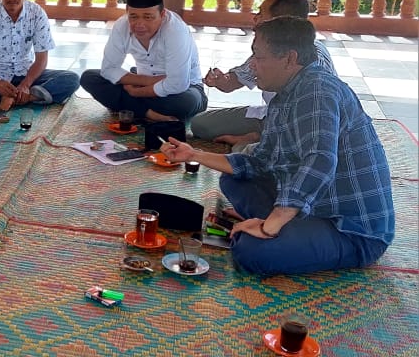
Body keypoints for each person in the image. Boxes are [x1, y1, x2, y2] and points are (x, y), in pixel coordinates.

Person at [161, 16, 394, 275]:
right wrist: (194, 154)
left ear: (289, 59)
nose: (252, 66)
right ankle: (285, 226)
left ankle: (276, 228)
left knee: (250, 253)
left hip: (349, 226)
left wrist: (267, 227)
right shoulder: (286, 94)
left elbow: (319, 161)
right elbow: (259, 162)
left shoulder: (317, 90)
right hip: (314, 205)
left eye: (258, 57)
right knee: (233, 179)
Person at [192, 0, 336, 152]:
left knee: (245, 155)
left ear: (280, 22)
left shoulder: (314, 63)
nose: (255, 18)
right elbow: (232, 82)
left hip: (302, 126)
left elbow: (319, 135)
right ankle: (259, 138)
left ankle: (259, 140)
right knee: (200, 124)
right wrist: (220, 80)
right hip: (271, 117)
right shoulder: (267, 48)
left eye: (261, 14)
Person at [79, 0, 206, 122]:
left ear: (162, 14)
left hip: (185, 88)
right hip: (144, 79)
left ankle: (129, 106)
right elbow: (108, 70)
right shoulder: (122, 26)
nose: (140, 24)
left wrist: (137, 92)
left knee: (186, 103)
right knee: (89, 78)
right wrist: (147, 81)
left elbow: (178, 84)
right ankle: (148, 113)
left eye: (148, 17)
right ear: (127, 12)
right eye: (133, 17)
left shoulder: (175, 30)